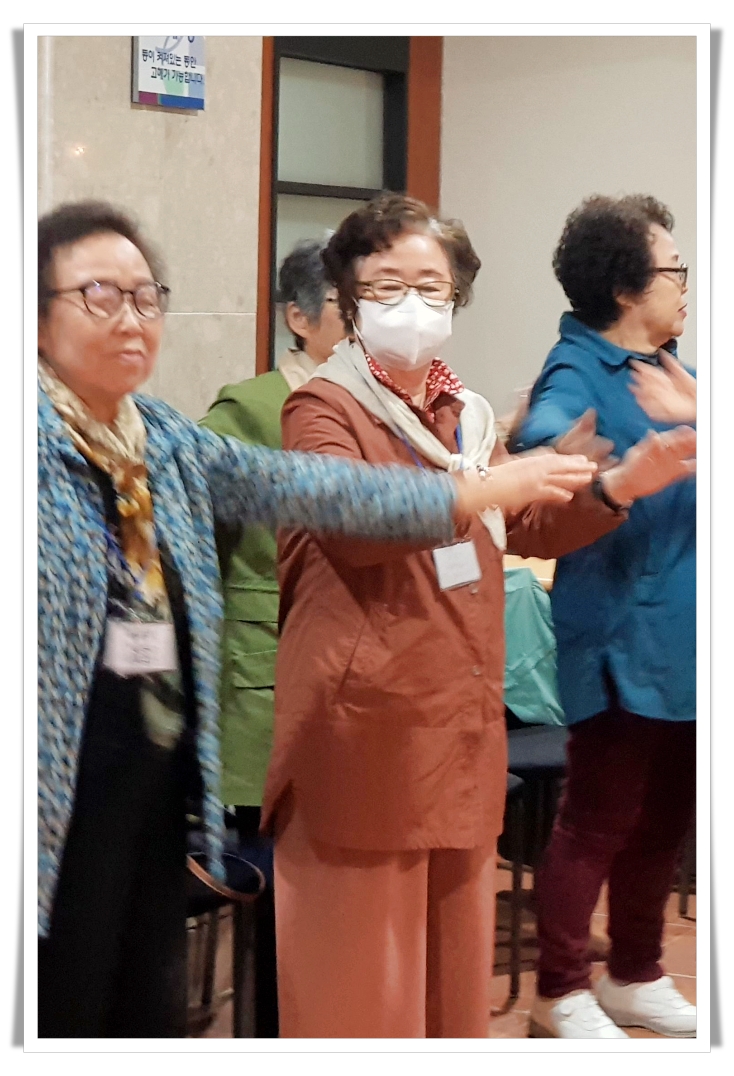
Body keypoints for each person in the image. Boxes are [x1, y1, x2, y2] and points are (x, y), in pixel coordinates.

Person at [36, 199, 599, 1039]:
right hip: (52, 779)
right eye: (99, 296)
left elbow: (312, 490)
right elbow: (346, 521)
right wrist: (476, 490)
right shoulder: (31, 442)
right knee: (58, 999)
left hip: (151, 769)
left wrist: (556, 488)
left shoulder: (159, 436)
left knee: (139, 1006)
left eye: (146, 296)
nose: (132, 318)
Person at [259, 192, 697, 1039]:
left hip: (455, 728)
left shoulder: (460, 411)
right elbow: (355, 522)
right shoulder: (323, 406)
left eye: (432, 286)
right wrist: (493, 484)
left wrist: (615, 487)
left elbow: (526, 521)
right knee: (362, 999)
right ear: (349, 297)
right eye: (387, 286)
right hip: (366, 733)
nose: (413, 305)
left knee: (450, 999)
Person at [513, 195, 698, 1039]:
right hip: (623, 632)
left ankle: (635, 969)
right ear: (627, 287)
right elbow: (545, 445)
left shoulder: (673, 369)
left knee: (666, 817)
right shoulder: (576, 369)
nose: (685, 285)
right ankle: (559, 988)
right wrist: (599, 467)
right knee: (597, 819)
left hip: (688, 636)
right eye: (673, 270)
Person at [199, 237, 346, 1036]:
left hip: (350, 678)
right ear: (299, 317)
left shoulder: (378, 406)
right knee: (277, 901)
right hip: (266, 677)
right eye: (349, 308)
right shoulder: (248, 408)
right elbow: (197, 549)